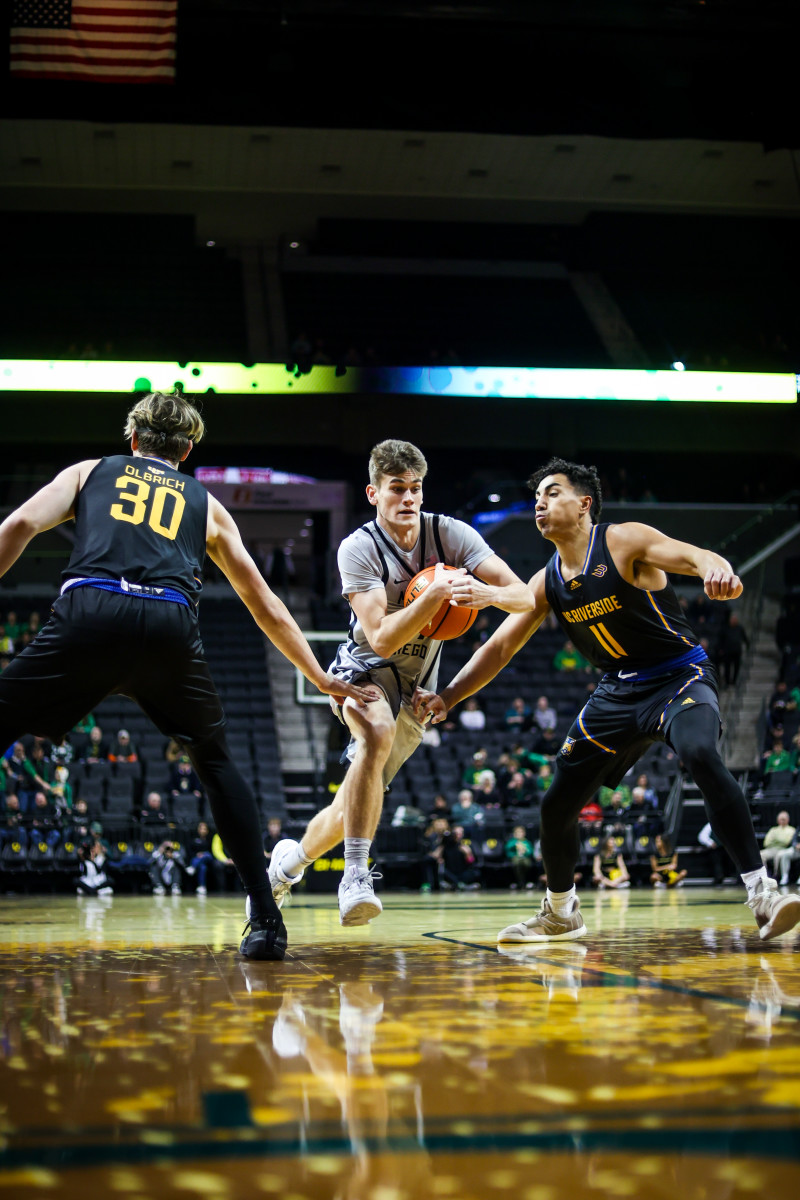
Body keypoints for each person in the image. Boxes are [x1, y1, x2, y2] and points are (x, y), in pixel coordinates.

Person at [0, 390, 376, 960]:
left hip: (91, 612)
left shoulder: (90, 472)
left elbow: (21, 523)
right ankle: (267, 920)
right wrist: (319, 676)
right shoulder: (205, 503)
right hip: (168, 625)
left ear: (132, 439)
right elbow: (264, 602)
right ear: (188, 449)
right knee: (216, 760)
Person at [414, 457, 800, 943]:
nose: (540, 502)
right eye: (536, 496)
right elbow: (499, 647)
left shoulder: (622, 540)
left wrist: (718, 570)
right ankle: (560, 912)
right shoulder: (547, 580)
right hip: (617, 691)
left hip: (678, 676)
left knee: (700, 753)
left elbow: (694, 555)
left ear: (584, 504)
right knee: (556, 806)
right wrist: (447, 696)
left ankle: (762, 892)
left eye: (553, 492)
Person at [265, 439, 533, 927]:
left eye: (415, 488)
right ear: (373, 493)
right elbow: (383, 638)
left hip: (417, 688)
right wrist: (435, 595)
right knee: (376, 729)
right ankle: (355, 875)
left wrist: (486, 593)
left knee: (349, 810)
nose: (408, 498)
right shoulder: (358, 548)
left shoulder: (451, 535)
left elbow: (525, 597)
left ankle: (285, 866)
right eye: (396, 489)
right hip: (363, 671)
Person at [760, 811, 797, 886]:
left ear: (787, 820)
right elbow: (766, 843)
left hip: (783, 849)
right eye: (780, 819)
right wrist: (779, 840)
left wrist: (775, 840)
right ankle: (764, 877)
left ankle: (776, 876)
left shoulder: (791, 830)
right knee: (760, 854)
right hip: (771, 849)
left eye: (784, 819)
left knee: (779, 855)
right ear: (778, 820)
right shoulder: (773, 829)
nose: (782, 821)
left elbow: (786, 842)